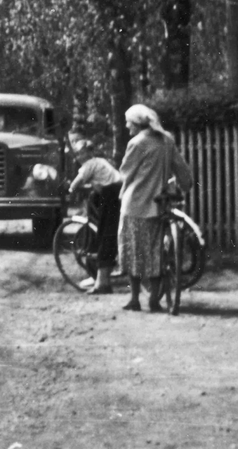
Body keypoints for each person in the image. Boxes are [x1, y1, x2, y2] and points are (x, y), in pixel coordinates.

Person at [117, 104, 193, 312]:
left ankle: (134, 299)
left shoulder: (137, 143)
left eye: (128, 122)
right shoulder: (167, 140)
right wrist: (186, 184)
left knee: (134, 251)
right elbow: (181, 168)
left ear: (137, 123)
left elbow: (125, 173)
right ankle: (154, 300)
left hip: (135, 205)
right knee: (155, 252)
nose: (126, 126)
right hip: (158, 205)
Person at [67, 138, 122, 295]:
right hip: (115, 192)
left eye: (82, 153)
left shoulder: (89, 164)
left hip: (110, 194)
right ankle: (98, 273)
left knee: (105, 233)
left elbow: (77, 182)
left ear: (90, 152)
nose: (79, 156)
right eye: (77, 154)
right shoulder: (101, 161)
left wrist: (70, 189)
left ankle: (101, 278)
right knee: (104, 228)